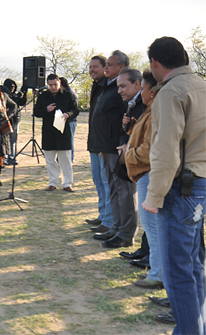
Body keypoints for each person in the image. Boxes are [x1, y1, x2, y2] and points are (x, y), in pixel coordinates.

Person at [143, 36, 206, 335]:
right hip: (199, 185)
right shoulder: (202, 85)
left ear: (155, 63)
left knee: (178, 272)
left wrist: (153, 196)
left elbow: (165, 149)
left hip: (181, 189)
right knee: (193, 265)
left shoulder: (170, 92)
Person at [119, 71, 163, 289]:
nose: (142, 93)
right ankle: (157, 272)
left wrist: (128, 154)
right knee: (151, 227)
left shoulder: (155, 113)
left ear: (152, 92)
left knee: (153, 228)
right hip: (145, 171)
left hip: (148, 171)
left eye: (144, 89)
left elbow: (149, 149)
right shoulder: (150, 111)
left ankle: (158, 274)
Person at [90, 50, 138, 248]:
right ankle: (116, 228)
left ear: (122, 67)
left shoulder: (123, 90)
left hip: (118, 148)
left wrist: (122, 143)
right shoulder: (110, 87)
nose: (106, 67)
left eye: (110, 64)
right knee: (113, 189)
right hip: (107, 147)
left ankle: (126, 233)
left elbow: (125, 120)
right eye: (106, 64)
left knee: (125, 190)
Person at [33, 74, 79, 192]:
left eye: (55, 84)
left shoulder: (68, 95)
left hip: (63, 131)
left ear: (59, 82)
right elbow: (36, 112)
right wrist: (46, 110)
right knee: (50, 159)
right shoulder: (43, 96)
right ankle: (52, 182)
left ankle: (67, 183)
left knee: (66, 159)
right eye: (50, 85)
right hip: (48, 131)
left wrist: (68, 114)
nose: (53, 87)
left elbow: (75, 109)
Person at [86, 55, 113, 234]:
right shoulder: (96, 86)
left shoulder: (110, 87)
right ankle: (103, 215)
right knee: (97, 180)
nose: (92, 70)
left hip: (104, 144)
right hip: (94, 142)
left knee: (106, 182)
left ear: (105, 68)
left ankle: (109, 220)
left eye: (96, 66)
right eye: (90, 67)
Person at [1, 78, 27, 164]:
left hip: (15, 120)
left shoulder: (16, 95)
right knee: (5, 140)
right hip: (7, 121)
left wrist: (24, 95)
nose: (12, 88)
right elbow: (13, 101)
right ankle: (5, 158)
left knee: (13, 140)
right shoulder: (4, 95)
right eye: (11, 86)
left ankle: (12, 158)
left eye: (14, 86)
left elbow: (21, 102)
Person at [59, 77, 79, 162]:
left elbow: (74, 109)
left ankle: (70, 159)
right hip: (65, 120)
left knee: (70, 141)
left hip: (71, 120)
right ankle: (60, 159)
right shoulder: (65, 92)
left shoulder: (70, 93)